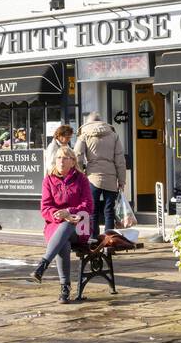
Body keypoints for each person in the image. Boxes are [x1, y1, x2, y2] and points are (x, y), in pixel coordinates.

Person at [34, 148, 91, 303]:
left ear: (73, 161)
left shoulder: (82, 179)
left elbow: (88, 205)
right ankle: (64, 289)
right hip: (55, 225)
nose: (61, 160)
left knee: (69, 225)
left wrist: (69, 211)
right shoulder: (49, 180)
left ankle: (43, 264)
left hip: (80, 226)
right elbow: (45, 208)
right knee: (63, 242)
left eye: (65, 157)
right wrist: (56, 214)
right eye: (58, 157)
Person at [74, 111, 126, 238]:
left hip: (92, 177)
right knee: (109, 210)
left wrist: (81, 173)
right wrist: (122, 180)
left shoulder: (84, 135)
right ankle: (109, 238)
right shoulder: (113, 135)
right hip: (111, 176)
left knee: (92, 209)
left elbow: (77, 156)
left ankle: (93, 238)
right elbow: (120, 159)